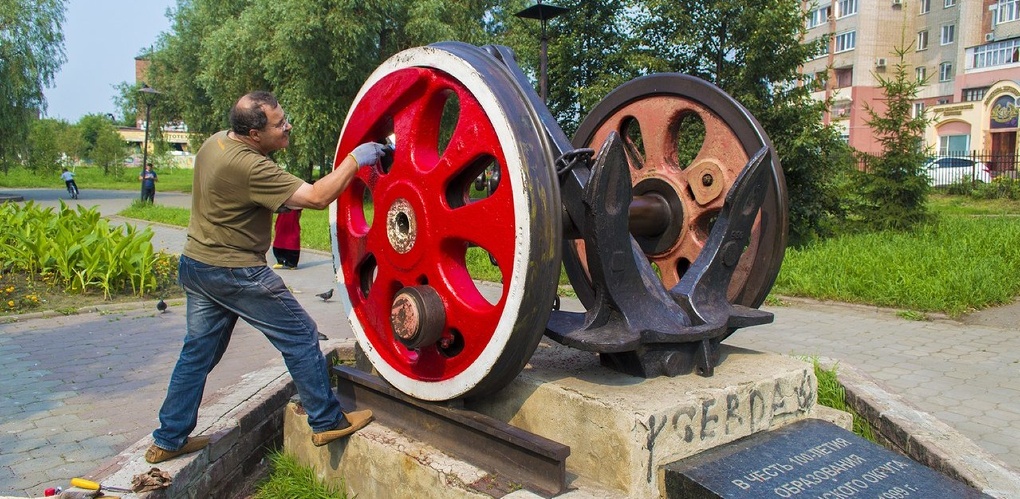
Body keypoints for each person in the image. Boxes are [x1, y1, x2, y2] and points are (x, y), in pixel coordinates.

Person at [146, 91, 388, 464]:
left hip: (196, 264)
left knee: (197, 355)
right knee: (301, 335)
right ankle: (326, 420)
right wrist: (359, 158)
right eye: (279, 124)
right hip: (234, 270)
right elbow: (318, 197)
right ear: (255, 134)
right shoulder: (249, 166)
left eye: (285, 117)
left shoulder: (215, 143)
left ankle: (169, 437)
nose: (288, 126)